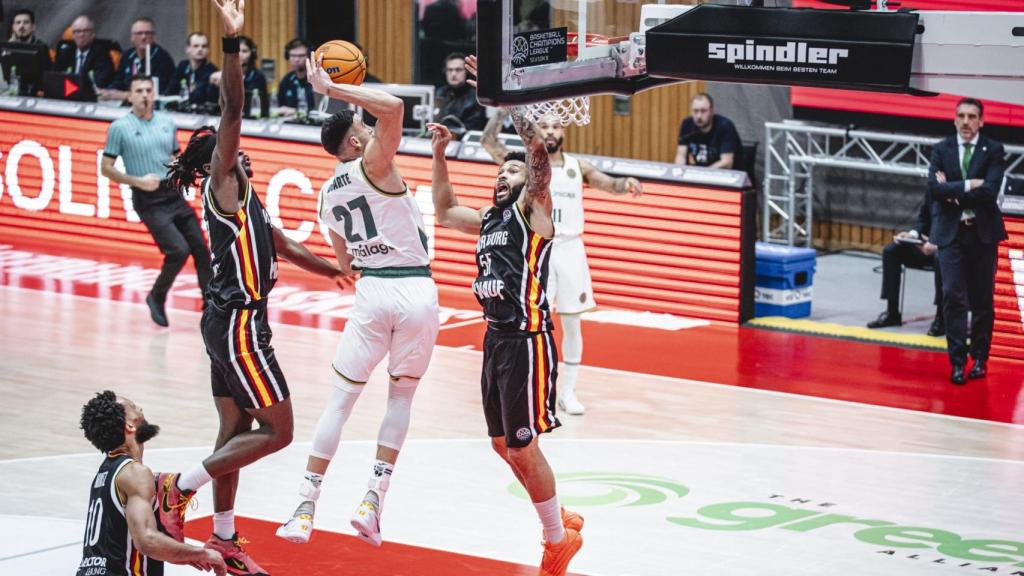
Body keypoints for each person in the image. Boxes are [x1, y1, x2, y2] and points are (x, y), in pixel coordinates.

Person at [154, 3, 352, 575]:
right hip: (239, 323)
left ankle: (223, 538)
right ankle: (177, 488)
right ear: (215, 158)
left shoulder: (247, 196)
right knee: (280, 431)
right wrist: (232, 41)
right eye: (227, 144)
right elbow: (233, 107)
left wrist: (332, 271)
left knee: (235, 431)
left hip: (227, 321)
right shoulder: (223, 182)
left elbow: (282, 244)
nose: (239, 147)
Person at [276, 49, 440, 549]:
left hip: (371, 291)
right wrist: (332, 90)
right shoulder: (374, 163)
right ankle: (372, 502)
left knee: (340, 402)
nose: (371, 129)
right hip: (415, 289)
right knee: (400, 398)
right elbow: (394, 108)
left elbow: (345, 263)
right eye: (363, 128)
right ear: (353, 141)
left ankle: (304, 508)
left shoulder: (327, 195)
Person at [428, 54, 583, 576]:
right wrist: (440, 155)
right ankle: (557, 514)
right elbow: (444, 211)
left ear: (527, 182)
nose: (503, 174)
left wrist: (506, 94)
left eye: (510, 170)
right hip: (494, 339)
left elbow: (537, 153)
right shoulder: (490, 218)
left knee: (521, 447)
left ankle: (557, 539)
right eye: (499, 169)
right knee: (502, 444)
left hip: (526, 340)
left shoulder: (533, 213)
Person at [480, 109, 643, 416]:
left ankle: (568, 391)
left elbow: (610, 184)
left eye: (556, 126)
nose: (550, 131)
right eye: (544, 126)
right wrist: (501, 109)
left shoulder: (577, 167)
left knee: (572, 322)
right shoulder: (525, 166)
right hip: (535, 247)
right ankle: (530, 381)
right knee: (530, 318)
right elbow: (488, 141)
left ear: (564, 131)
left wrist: (626, 183)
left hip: (569, 249)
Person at [101, 74, 212, 327]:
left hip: (172, 193)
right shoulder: (119, 128)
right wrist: (137, 181)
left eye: (148, 90)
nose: (144, 95)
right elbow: (106, 168)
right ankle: (156, 296)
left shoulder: (167, 123)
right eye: (139, 91)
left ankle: (211, 305)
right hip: (147, 198)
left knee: (200, 247)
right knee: (178, 250)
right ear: (130, 96)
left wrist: (184, 167)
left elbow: (175, 157)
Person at [78, 391, 226, 576]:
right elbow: (147, 540)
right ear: (129, 425)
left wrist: (183, 554)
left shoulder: (104, 474)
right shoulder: (135, 473)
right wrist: (203, 553)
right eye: (133, 407)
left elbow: (119, 545)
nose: (140, 408)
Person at [928, 97, 1007, 385]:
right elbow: (933, 190)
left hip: (982, 233)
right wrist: (967, 185)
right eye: (961, 115)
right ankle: (958, 362)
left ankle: (980, 358)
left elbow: (989, 192)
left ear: (981, 121)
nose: (965, 121)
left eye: (972, 116)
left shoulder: (993, 150)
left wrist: (952, 191)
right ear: (954, 119)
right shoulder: (942, 149)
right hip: (952, 234)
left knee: (982, 299)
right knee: (952, 296)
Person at [866, 192, 944, 336]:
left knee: (941, 259)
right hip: (926, 244)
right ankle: (892, 312)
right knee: (891, 251)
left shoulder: (960, 189)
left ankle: (942, 317)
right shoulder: (933, 186)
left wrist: (937, 244)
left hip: (947, 247)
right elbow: (923, 218)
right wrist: (913, 235)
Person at [102, 17, 175, 102]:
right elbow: (119, 81)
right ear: (132, 37)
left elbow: (158, 91)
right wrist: (108, 92)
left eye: (148, 33)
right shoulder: (128, 55)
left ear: (154, 37)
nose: (144, 37)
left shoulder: (163, 58)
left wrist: (125, 95)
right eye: (139, 33)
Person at [674, 92, 743, 169]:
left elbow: (726, 163)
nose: (699, 116)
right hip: (702, 171)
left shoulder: (725, 126)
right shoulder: (687, 124)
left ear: (711, 111)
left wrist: (704, 173)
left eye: (703, 111)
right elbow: (681, 155)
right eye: (695, 111)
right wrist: (679, 171)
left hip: (726, 173)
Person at [210, 35, 269, 118]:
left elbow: (254, 103)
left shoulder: (257, 77)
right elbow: (211, 103)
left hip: (249, 119)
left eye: (244, 51)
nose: (239, 54)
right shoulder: (220, 75)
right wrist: (211, 82)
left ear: (252, 54)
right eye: (236, 51)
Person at [53, 15, 115, 89]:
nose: (81, 35)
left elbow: (100, 81)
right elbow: (55, 77)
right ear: (73, 35)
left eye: (85, 31)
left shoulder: (101, 53)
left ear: (93, 34)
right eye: (77, 31)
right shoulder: (66, 52)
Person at [434, 52, 486, 136]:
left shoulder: (476, 98)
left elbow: (472, 130)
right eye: (450, 70)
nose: (453, 74)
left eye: (458, 70)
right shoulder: (439, 93)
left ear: (466, 72)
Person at [5, 8, 51, 95]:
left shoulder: (41, 48)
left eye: (26, 22)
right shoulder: (6, 48)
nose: (21, 26)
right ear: (13, 28)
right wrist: (10, 47)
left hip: (34, 94)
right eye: (18, 23)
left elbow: (47, 76)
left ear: (33, 27)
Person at [169, 32, 220, 109]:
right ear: (187, 49)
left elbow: (197, 98)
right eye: (196, 46)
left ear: (208, 50)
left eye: (204, 46)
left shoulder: (212, 71)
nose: (200, 49)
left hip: (202, 113)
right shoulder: (182, 66)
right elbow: (170, 91)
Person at [276, 38, 314, 116]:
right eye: (293, 56)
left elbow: (322, 111)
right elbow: (281, 107)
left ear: (310, 57)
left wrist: (296, 112)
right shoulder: (286, 80)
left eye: (301, 56)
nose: (296, 59)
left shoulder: (318, 80)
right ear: (288, 57)